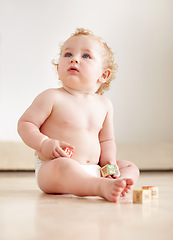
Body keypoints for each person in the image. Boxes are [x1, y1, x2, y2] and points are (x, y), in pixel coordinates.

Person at [18, 28, 139, 202]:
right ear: (58, 67)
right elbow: (25, 124)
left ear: (103, 75)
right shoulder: (52, 97)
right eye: (67, 54)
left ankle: (117, 182)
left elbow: (106, 141)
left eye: (86, 56)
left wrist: (109, 162)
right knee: (64, 165)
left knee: (129, 166)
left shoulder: (104, 105)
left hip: (94, 169)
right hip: (53, 169)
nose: (74, 59)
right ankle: (99, 187)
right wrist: (44, 143)